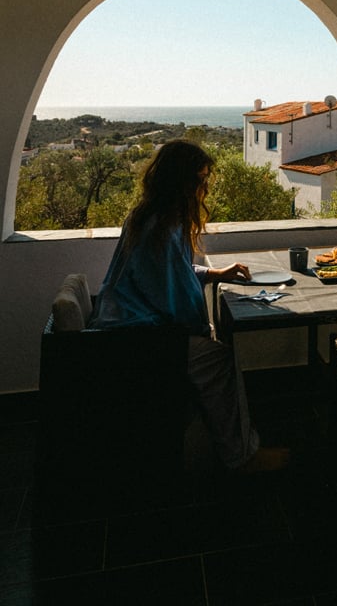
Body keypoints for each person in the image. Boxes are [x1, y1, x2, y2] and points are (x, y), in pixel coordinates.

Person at [89, 138, 289, 473]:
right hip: (136, 337)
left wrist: (214, 272)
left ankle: (227, 441)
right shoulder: (160, 230)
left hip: (122, 323)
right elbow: (174, 300)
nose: (205, 188)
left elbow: (174, 273)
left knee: (212, 349)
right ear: (180, 182)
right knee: (220, 358)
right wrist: (204, 333)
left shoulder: (151, 218)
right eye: (200, 179)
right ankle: (242, 456)